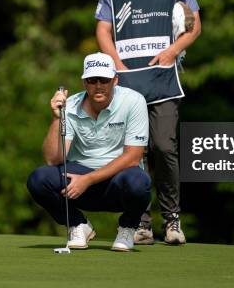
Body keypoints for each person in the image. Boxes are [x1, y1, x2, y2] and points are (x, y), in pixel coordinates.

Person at [95, 0, 202, 245]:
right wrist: (115, 63)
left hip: (163, 79)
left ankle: (171, 220)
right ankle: (140, 222)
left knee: (163, 146)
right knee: (133, 154)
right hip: (127, 82)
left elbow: (194, 25)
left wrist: (172, 52)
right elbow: (102, 28)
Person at [26, 52, 151, 252]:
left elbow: (133, 157)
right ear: (84, 82)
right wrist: (57, 118)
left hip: (117, 183)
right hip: (78, 182)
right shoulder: (71, 105)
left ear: (115, 80)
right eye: (92, 80)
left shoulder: (134, 101)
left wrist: (89, 179)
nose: (99, 85)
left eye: (104, 79)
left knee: (140, 182)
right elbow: (53, 159)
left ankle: (127, 227)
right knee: (38, 179)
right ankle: (78, 225)